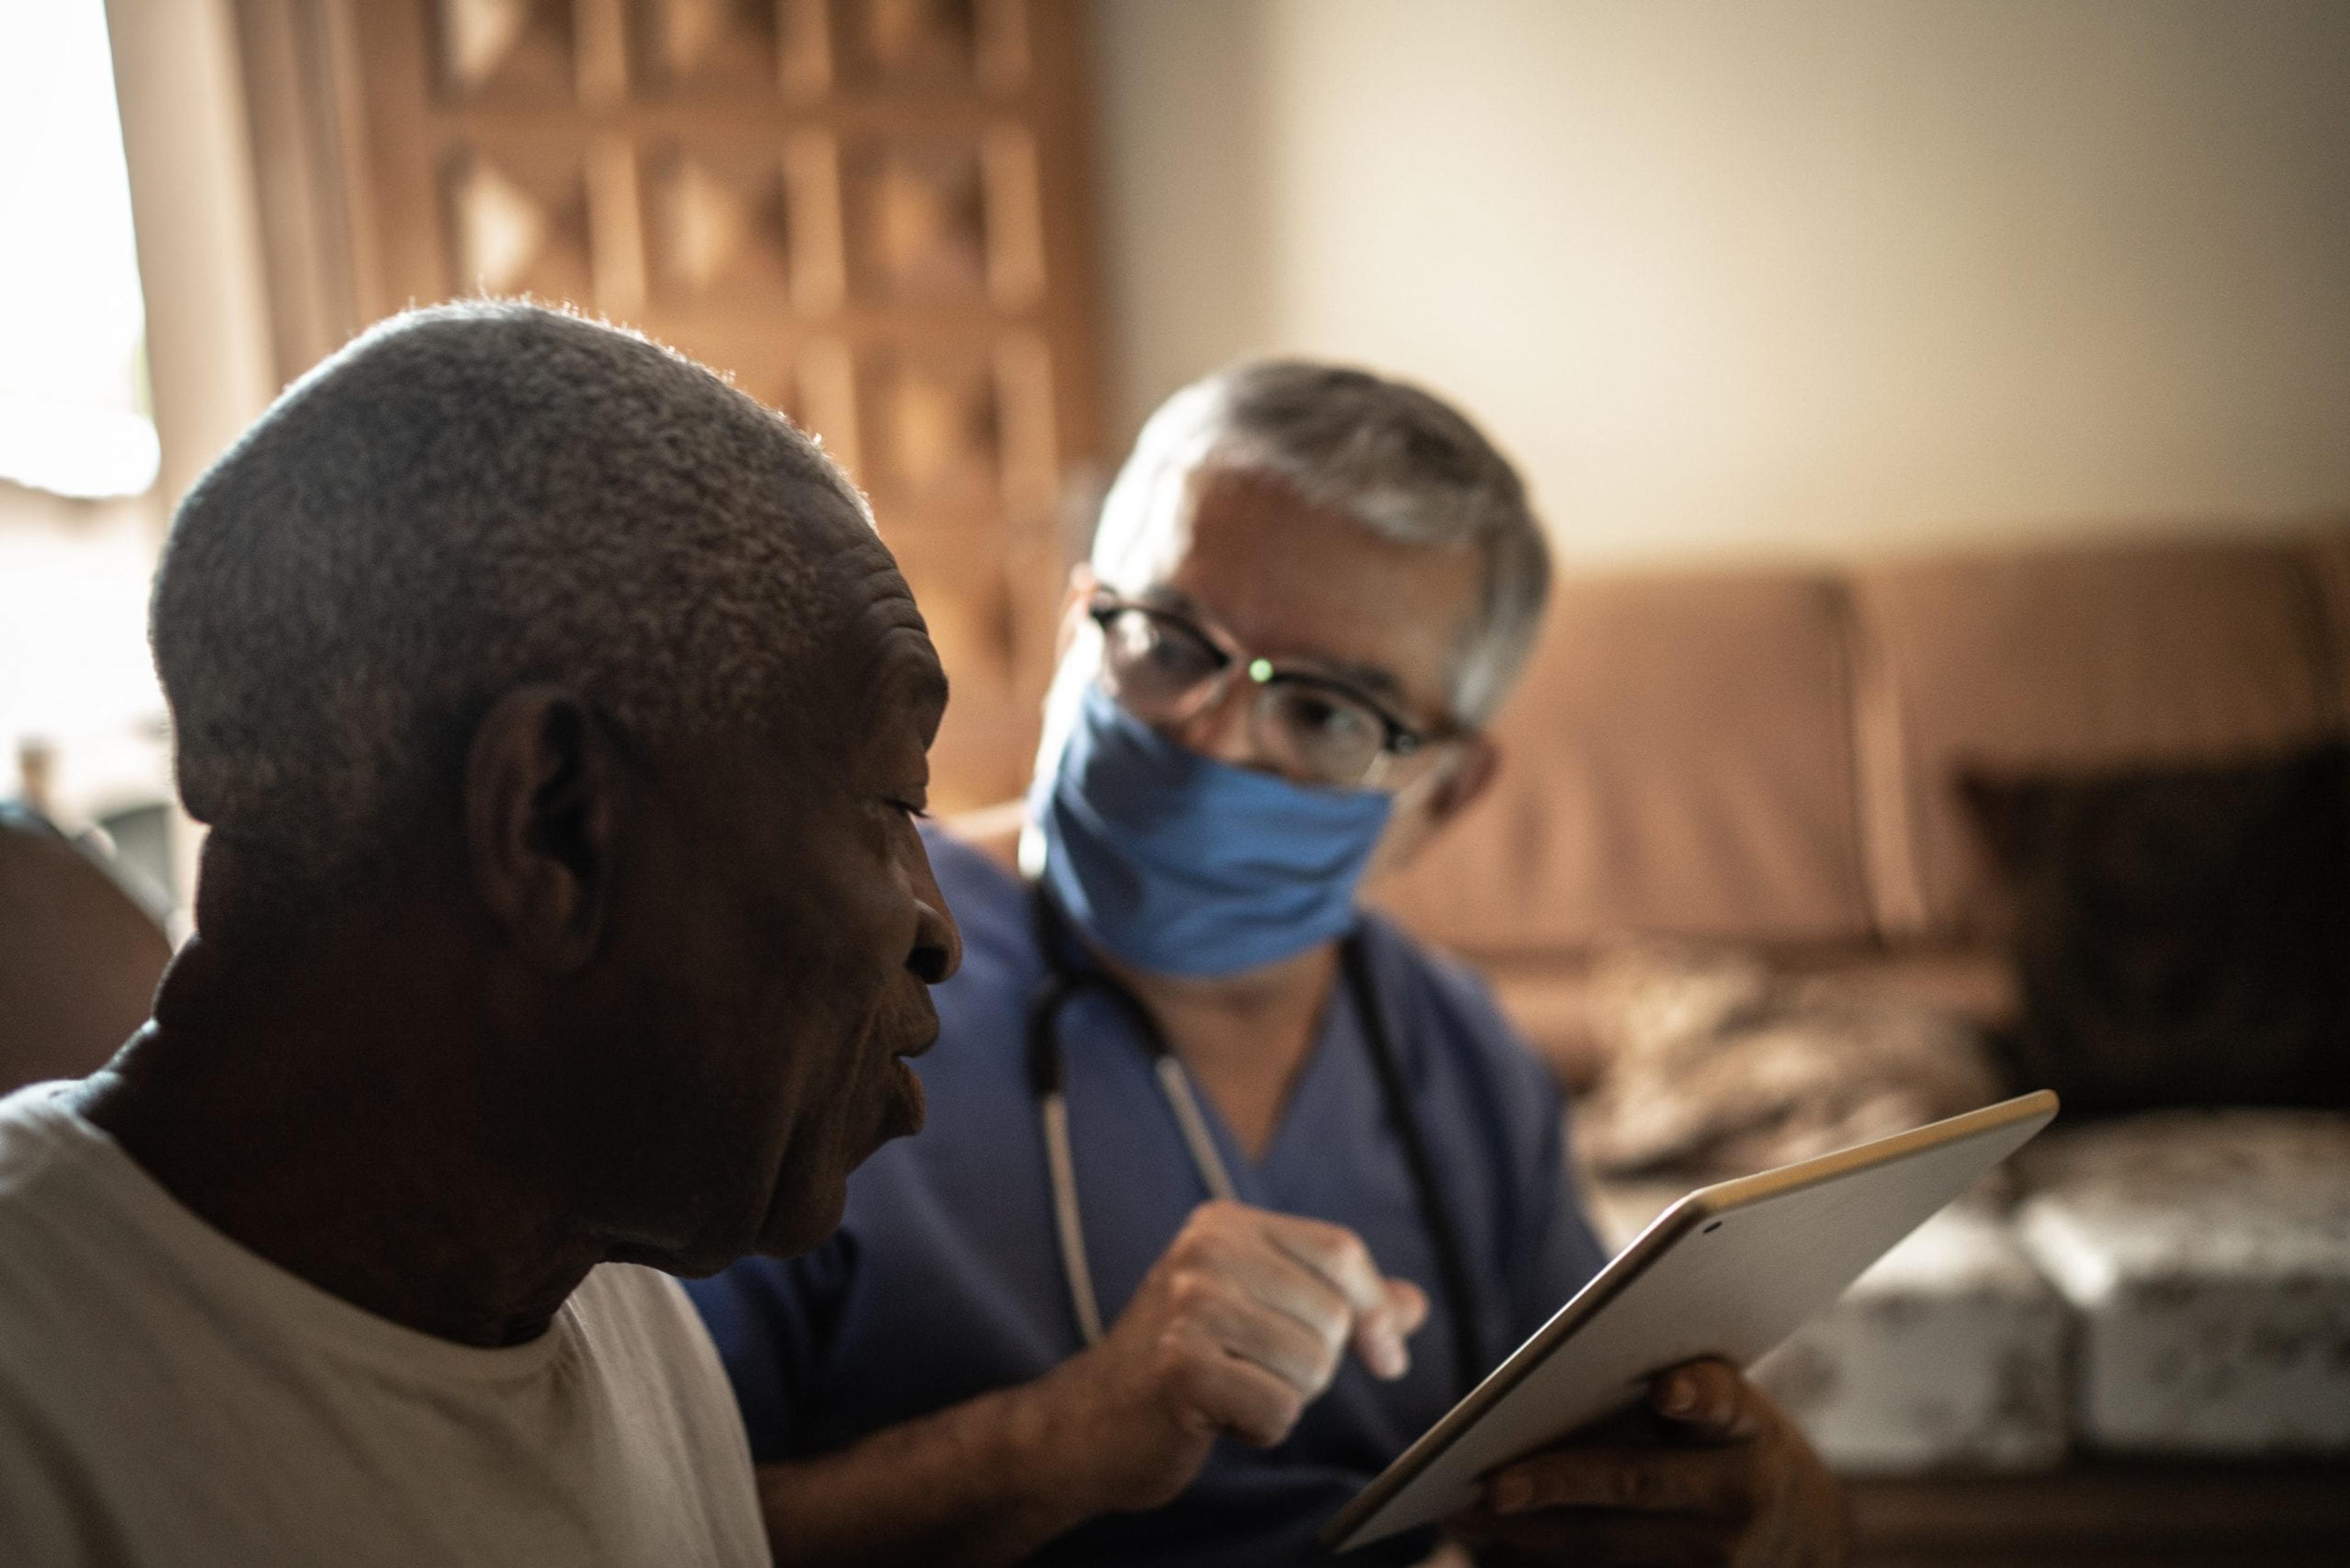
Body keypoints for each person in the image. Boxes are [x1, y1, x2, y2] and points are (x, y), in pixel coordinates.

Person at [686, 362, 1847, 1565]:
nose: (1214, 736)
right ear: (1079, 619)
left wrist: (1765, 1517)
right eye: (1171, 640)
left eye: (1329, 713)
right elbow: (653, 1525)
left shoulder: (1459, 1055)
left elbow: (1572, 1472)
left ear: (1444, 794)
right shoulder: (814, 982)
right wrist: (1060, 1441)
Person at [0, 302, 962, 1567]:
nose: (938, 927)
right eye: (890, 805)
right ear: (553, 826)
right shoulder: (38, 1421)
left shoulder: (620, 1303)